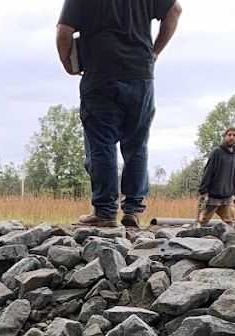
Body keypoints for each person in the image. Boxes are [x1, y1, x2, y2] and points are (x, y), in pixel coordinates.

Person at [56, 0, 182, 229]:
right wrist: (154, 52)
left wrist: (67, 62)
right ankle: (133, 210)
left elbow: (64, 32)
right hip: (140, 74)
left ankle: (104, 211)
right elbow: (174, 10)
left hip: (100, 73)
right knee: (137, 143)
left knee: (101, 143)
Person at [198, 126, 235, 226]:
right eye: (229, 135)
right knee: (201, 222)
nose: (231, 137)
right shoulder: (217, 152)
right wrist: (204, 191)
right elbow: (208, 171)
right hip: (212, 196)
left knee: (231, 223)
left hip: (227, 197)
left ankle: (231, 241)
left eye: (234, 135)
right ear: (224, 136)